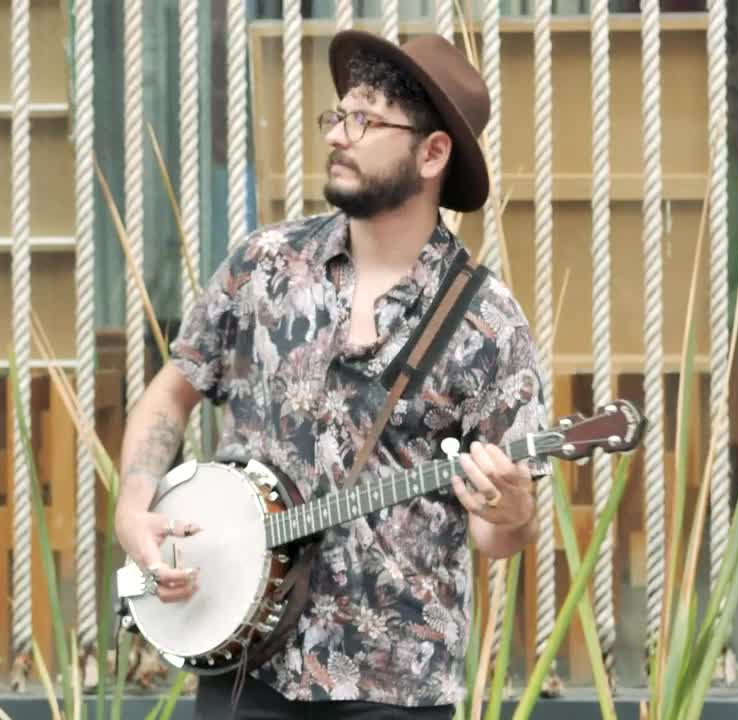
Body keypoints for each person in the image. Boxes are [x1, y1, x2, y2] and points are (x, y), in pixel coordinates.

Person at [113, 29, 550, 719]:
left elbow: (497, 536)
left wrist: (516, 514)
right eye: (339, 115)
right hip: (244, 662)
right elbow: (174, 389)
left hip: (394, 686)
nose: (339, 135)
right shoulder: (264, 266)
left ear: (433, 152)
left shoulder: (488, 324)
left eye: (367, 120)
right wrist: (134, 505)